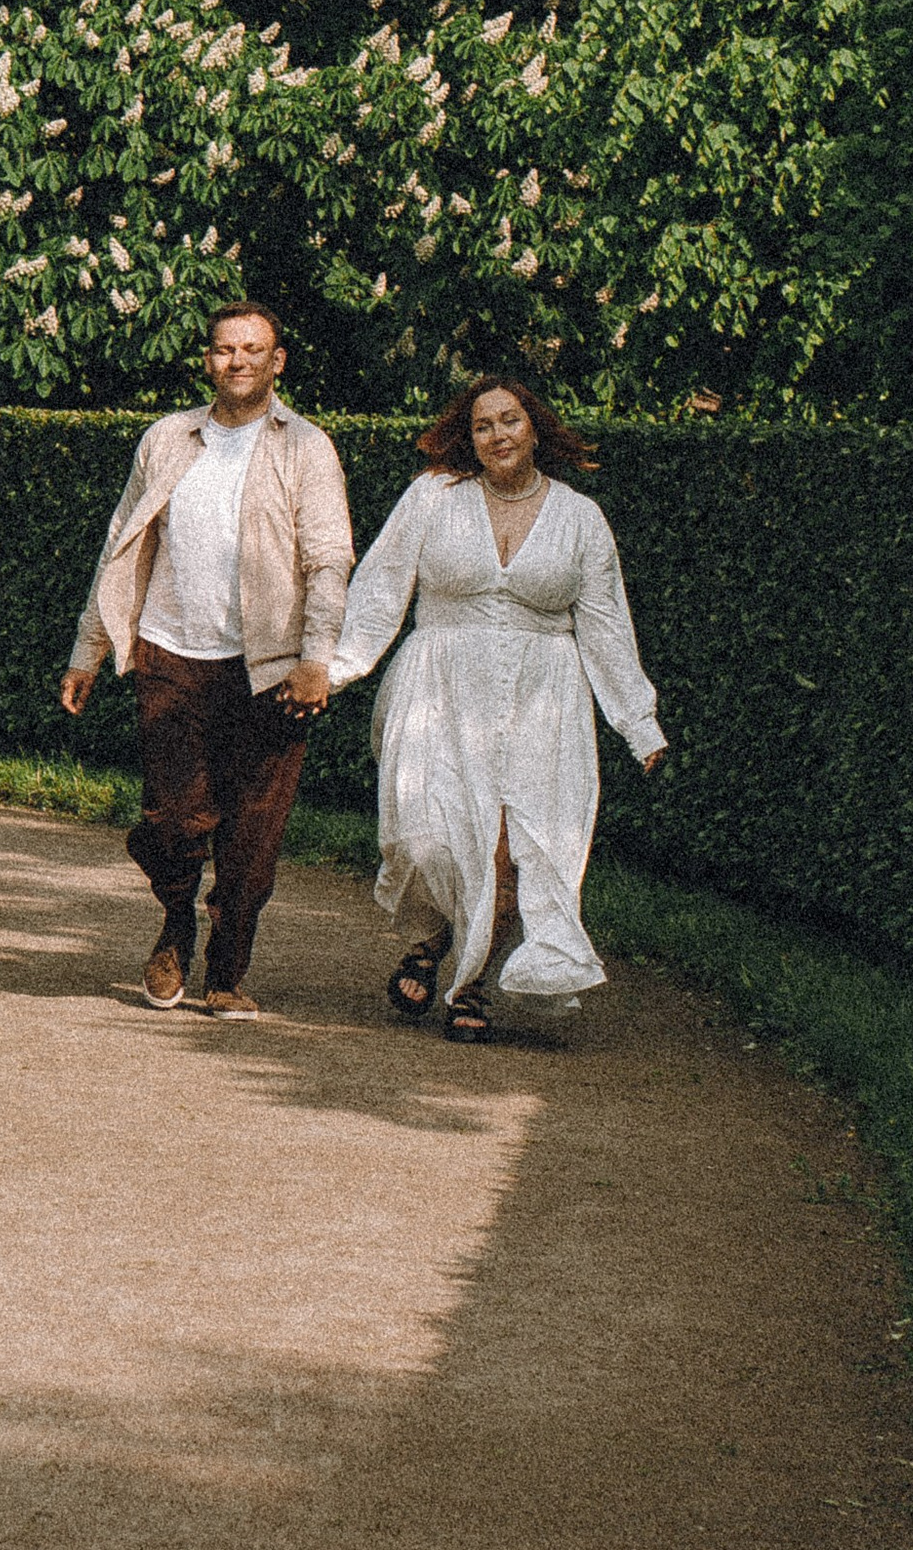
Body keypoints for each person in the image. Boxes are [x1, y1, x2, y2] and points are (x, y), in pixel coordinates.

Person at [327, 374, 666, 1043]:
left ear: (534, 426)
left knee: (513, 854)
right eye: (483, 426)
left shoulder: (579, 518)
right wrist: (336, 670)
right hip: (438, 691)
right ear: (469, 438)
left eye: (509, 421)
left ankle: (469, 983)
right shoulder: (433, 497)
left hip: (544, 702)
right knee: (424, 839)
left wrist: (638, 722)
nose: (497, 436)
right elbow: (381, 587)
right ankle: (435, 936)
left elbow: (606, 626)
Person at [60, 302, 354, 1018]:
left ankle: (227, 971)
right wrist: (89, 651)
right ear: (207, 360)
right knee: (172, 817)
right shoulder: (167, 439)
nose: (239, 362)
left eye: (254, 349)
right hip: (170, 652)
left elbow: (329, 559)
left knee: (253, 834)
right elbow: (120, 546)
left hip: (269, 666)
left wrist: (318, 660)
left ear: (278, 360)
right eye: (225, 350)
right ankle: (174, 923)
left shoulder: (305, 448)